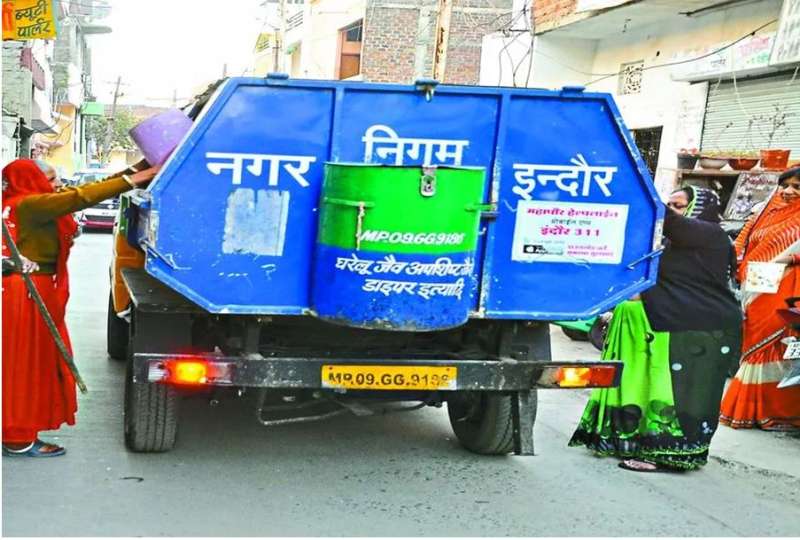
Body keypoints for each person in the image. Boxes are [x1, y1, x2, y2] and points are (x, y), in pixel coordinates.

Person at [569, 186, 742, 472]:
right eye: (670, 204)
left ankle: (665, 454)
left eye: (679, 205)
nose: (672, 210)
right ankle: (643, 444)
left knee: (680, 393)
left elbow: (669, 221)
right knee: (661, 387)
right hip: (678, 323)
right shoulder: (677, 243)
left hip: (703, 327)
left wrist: (633, 185)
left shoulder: (710, 234)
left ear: (699, 208)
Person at [2, 158, 158, 457]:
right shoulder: (30, 205)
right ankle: (17, 438)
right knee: (26, 364)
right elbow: (81, 196)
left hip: (19, 291)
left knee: (16, 363)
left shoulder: (14, 204)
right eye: (51, 179)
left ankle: (14, 431)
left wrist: (134, 169)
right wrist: (137, 179)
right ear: (29, 181)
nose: (58, 185)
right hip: (28, 293)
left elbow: (83, 190)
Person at [720, 166, 800, 431]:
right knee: (754, 340)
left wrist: (787, 259)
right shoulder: (764, 212)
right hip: (757, 282)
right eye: (784, 185)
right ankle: (751, 409)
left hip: (789, 286)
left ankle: (774, 411)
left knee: (776, 341)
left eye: (797, 187)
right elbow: (742, 244)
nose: (788, 191)